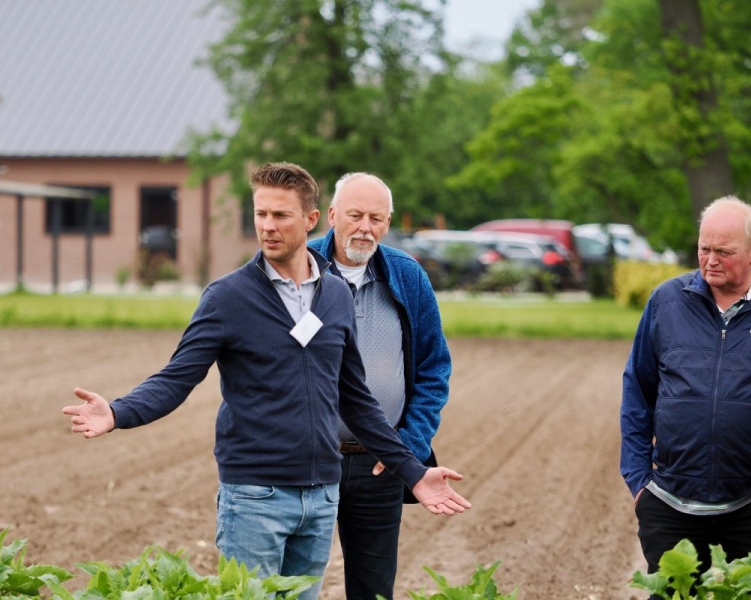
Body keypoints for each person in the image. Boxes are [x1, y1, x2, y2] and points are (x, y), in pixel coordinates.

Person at [62, 162, 471, 600]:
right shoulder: (228, 297)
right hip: (257, 495)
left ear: (310, 219)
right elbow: (177, 377)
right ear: (331, 218)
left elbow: (355, 398)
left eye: (280, 216)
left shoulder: (333, 296)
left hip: (318, 495)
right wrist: (119, 411)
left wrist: (412, 469)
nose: (268, 227)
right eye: (261, 215)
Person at [621, 196, 751, 583]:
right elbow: (638, 391)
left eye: (724, 252)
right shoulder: (667, 302)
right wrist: (639, 480)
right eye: (704, 248)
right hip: (672, 503)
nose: (710, 260)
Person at [307, 172, 451, 600]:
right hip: (307, 462)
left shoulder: (408, 277)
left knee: (373, 591)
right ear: (332, 215)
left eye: (376, 218)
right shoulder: (299, 268)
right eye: (354, 215)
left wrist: (407, 446)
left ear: (388, 223)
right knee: (295, 585)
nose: (365, 227)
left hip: (380, 465)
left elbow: (434, 369)